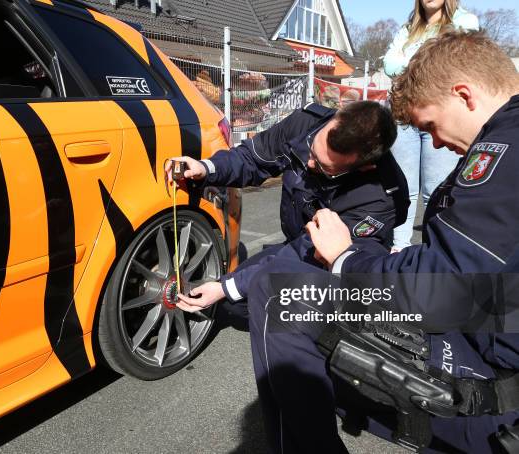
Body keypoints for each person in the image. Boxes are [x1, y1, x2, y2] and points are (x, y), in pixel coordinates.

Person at [245, 31, 519, 453]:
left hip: (493, 383)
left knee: (280, 297)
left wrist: (347, 259)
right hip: (494, 322)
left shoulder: (503, 149)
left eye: (430, 126)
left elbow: (438, 290)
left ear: (464, 95)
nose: (438, 142)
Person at [165, 101, 408, 320]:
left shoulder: (380, 197)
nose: (310, 163)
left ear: (364, 166)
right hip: (298, 243)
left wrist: (225, 287)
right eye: (313, 150)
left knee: (293, 309)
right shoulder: (306, 123)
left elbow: (310, 251)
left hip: (333, 263)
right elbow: (253, 158)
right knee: (238, 302)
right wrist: (207, 168)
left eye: (324, 166)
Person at [383, 0, 479, 251]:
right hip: (404, 115)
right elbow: (389, 66)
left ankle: (434, 250)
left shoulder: (464, 21)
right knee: (404, 187)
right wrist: (428, 62)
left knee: (435, 189)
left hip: (441, 114)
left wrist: (411, 64)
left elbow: (459, 63)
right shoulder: (407, 30)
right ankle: (399, 248)